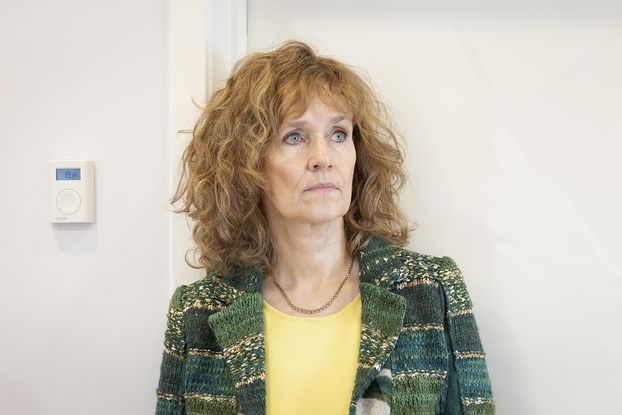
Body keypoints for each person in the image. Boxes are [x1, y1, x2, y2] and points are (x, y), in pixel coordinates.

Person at [155, 40, 494, 415]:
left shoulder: (430, 290)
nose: (323, 158)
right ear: (248, 164)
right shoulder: (198, 313)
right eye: (294, 137)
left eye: (338, 134)